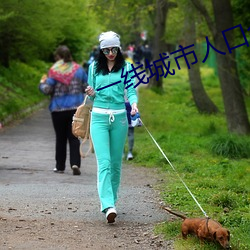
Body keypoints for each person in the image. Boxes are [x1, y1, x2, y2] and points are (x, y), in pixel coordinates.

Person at [85, 31, 138, 223]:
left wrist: (133, 104)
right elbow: (90, 96)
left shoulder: (127, 68)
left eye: (114, 49)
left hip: (120, 119)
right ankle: (107, 205)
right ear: (101, 50)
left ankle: (112, 201)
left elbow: (131, 90)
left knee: (116, 164)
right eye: (106, 50)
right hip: (98, 118)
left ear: (119, 48)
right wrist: (90, 92)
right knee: (104, 163)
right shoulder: (94, 68)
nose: (110, 53)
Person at [39, 45, 88, 175]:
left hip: (58, 109)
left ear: (58, 57)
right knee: (74, 137)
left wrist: (42, 83)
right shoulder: (79, 70)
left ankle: (60, 166)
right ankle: (75, 163)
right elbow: (86, 87)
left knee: (60, 138)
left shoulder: (54, 71)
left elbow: (47, 90)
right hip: (75, 109)